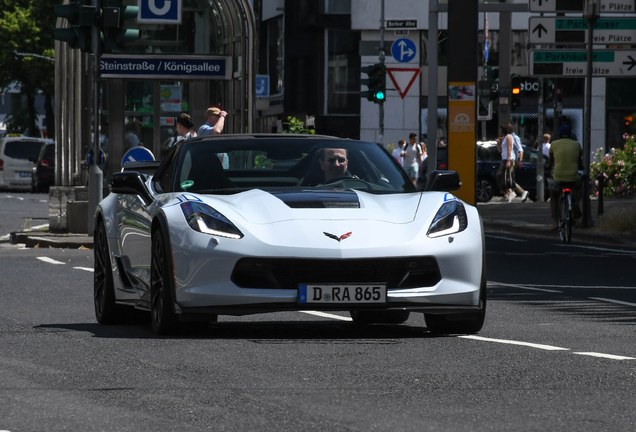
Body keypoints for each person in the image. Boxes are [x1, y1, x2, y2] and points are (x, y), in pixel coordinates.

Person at [548, 125, 583, 230]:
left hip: (558, 176)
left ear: (559, 135)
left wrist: (549, 167)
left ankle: (555, 222)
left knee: (553, 195)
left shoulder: (553, 144)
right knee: (579, 185)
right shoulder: (577, 145)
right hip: (573, 176)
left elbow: (551, 162)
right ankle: (576, 203)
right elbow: (580, 163)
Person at [510, 125, 529, 202]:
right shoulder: (507, 137)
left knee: (508, 178)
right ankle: (510, 192)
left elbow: (520, 150)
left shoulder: (515, 138)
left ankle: (520, 191)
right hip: (509, 160)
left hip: (512, 160)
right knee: (508, 178)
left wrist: (520, 160)